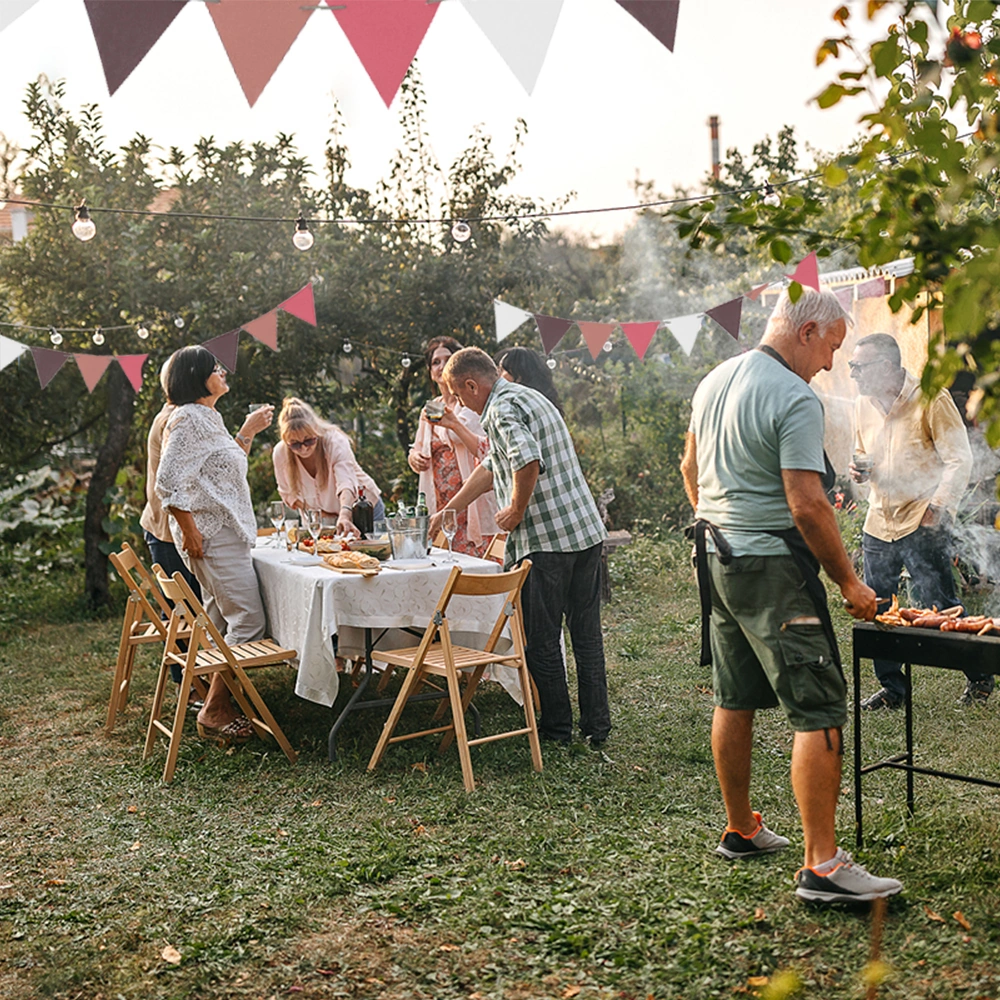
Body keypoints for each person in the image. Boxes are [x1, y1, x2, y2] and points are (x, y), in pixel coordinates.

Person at [681, 287, 902, 903]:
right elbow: (807, 504)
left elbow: (689, 469)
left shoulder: (715, 380)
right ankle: (823, 867)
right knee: (822, 703)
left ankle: (741, 828)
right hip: (772, 568)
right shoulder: (793, 396)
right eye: (832, 347)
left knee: (735, 694)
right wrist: (850, 582)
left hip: (717, 560)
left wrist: (722, 518)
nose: (832, 363)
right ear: (807, 333)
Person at [429, 347, 611, 748]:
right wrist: (451, 508)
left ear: (473, 385)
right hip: (585, 533)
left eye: (459, 396)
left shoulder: (497, 409)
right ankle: (597, 727)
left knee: (541, 641)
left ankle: (556, 731)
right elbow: (495, 462)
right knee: (586, 637)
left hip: (547, 542)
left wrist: (514, 509)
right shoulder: (528, 395)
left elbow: (526, 461)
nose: (461, 405)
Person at [849, 333, 989, 707]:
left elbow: (960, 458)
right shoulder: (861, 405)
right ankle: (894, 690)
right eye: (851, 367)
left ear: (887, 367)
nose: (853, 375)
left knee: (940, 603)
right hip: (879, 519)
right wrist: (861, 471)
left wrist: (938, 507)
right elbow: (862, 451)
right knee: (879, 606)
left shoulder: (931, 397)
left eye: (859, 367)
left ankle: (980, 678)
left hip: (921, 518)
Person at [155, 345, 272, 741]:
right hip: (213, 535)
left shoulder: (208, 417)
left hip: (224, 533)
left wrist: (247, 432)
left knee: (221, 620)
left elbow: (219, 472)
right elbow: (167, 482)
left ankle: (217, 698)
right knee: (250, 620)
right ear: (195, 377)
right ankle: (216, 708)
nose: (222, 370)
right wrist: (190, 532)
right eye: (213, 367)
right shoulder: (187, 418)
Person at [408, 336, 497, 557]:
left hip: (470, 496)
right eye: (436, 362)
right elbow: (418, 449)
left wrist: (454, 424)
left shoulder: (469, 402)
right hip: (440, 497)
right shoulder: (431, 407)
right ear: (430, 371)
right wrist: (413, 457)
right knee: (445, 558)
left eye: (447, 359)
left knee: (475, 561)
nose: (442, 366)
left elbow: (485, 451)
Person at [273, 397, 383, 538]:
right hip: (323, 523)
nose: (304, 448)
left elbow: (346, 482)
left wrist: (344, 514)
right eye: (295, 444)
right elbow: (288, 495)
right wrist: (322, 515)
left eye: (309, 440)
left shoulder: (334, 441)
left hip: (363, 510)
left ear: (316, 431)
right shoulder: (280, 453)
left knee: (367, 557)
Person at [495, 345, 564, 415]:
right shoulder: (546, 406)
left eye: (501, 370)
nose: (498, 375)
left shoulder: (512, 409)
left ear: (519, 376)